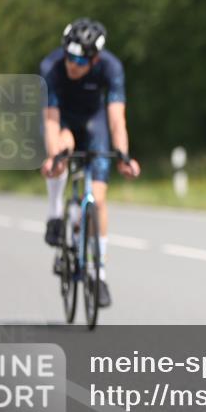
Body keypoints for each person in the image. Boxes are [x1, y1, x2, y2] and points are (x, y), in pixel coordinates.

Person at [39, 18, 140, 307]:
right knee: (60, 152)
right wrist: (52, 156)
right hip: (64, 123)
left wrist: (123, 155)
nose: (72, 64)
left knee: (99, 200)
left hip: (95, 125)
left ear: (94, 59)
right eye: (69, 56)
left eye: (80, 60)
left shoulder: (111, 67)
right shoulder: (51, 68)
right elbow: (50, 120)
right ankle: (55, 213)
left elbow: (117, 118)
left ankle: (98, 274)